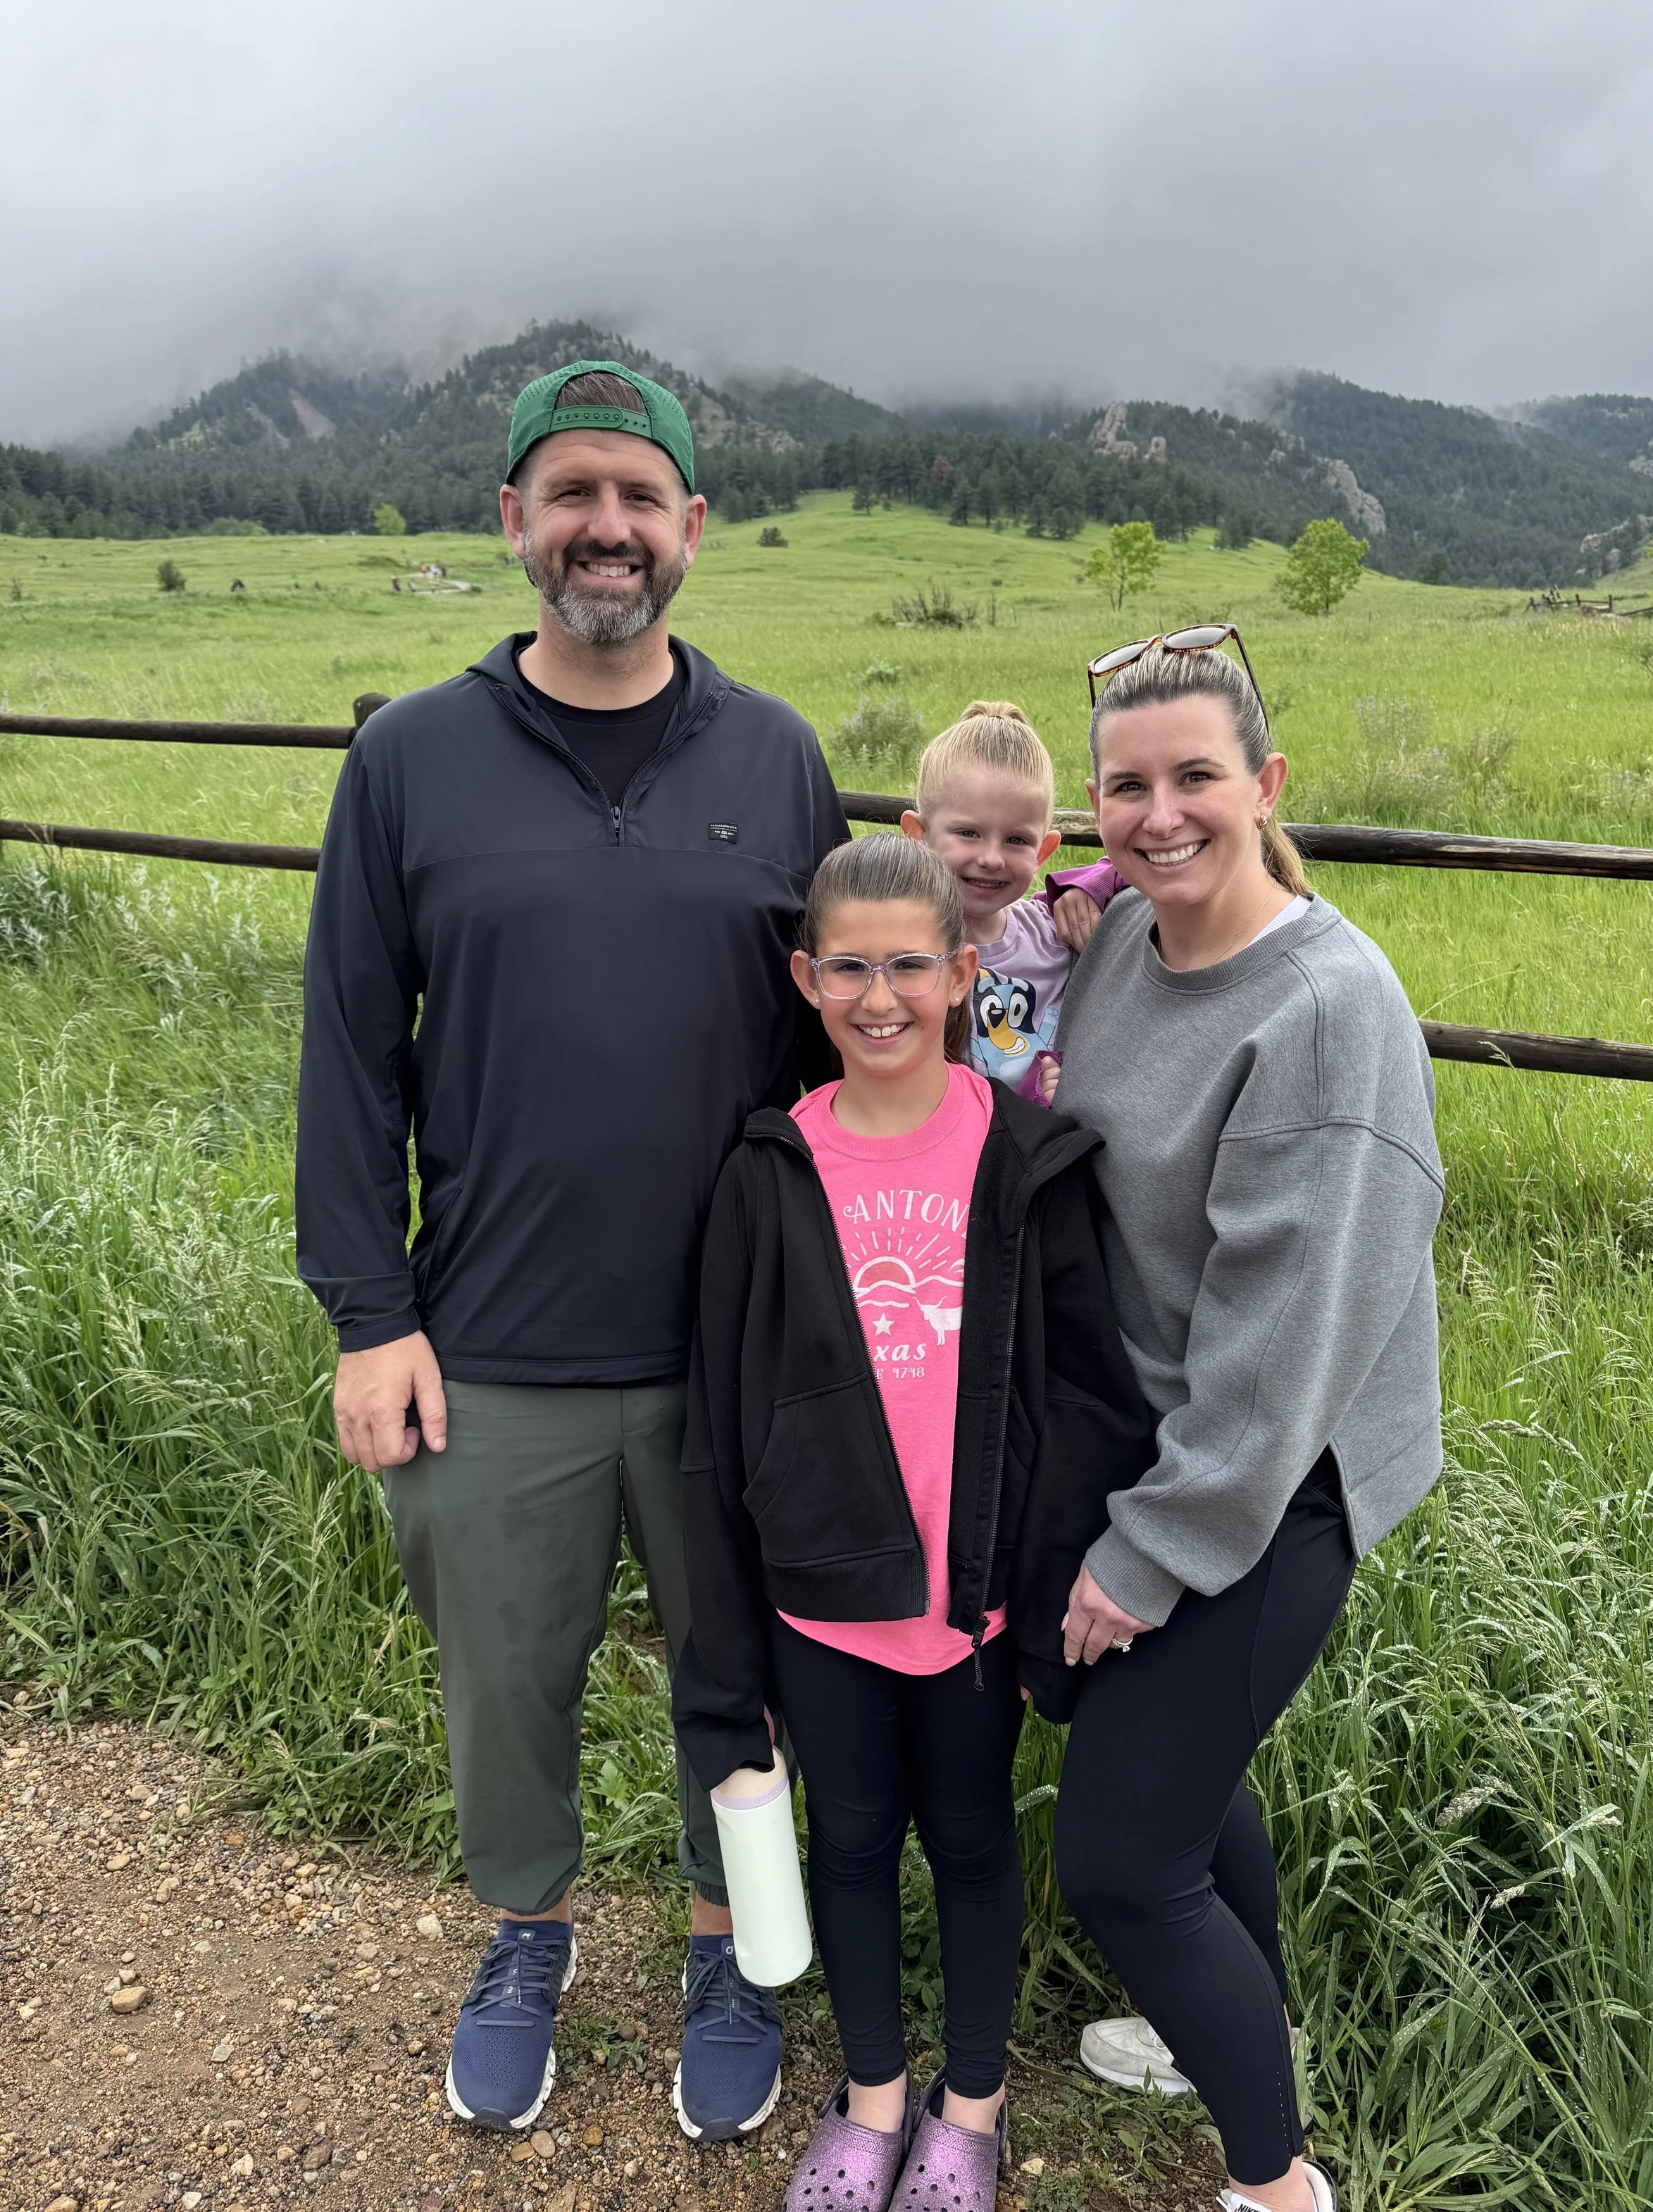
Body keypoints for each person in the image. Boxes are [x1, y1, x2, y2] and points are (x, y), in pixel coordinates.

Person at [294, 359, 848, 2139]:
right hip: (489, 1344)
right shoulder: (409, 759)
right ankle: (525, 1932)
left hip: (733, 1350)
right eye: (572, 492)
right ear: (514, 521)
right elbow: (348, 1047)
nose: (606, 526)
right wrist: (367, 1314)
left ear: (693, 526)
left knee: (738, 1677)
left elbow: (843, 1047)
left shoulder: (775, 758)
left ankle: (731, 1948)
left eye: (638, 494)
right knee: (503, 1680)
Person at [671, 832, 1156, 2212]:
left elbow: (1085, 1401)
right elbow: (719, 1424)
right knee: (848, 1842)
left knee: (971, 1838)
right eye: (848, 968)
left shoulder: (1027, 1158)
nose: (877, 996)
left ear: (961, 971)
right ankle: (876, 2092)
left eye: (906, 965)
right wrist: (727, 1662)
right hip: (819, 1598)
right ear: (805, 979)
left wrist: (1046, 1596)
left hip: (973, 1606)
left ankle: (972, 2104)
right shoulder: (768, 1169)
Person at [1050, 640, 1445, 2212]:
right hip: (1166, 1442)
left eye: (1196, 777)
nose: (1160, 814)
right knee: (1188, 1778)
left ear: (1267, 785)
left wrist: (1147, 1553)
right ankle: (1236, 2027)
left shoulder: (1325, 1014)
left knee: (1120, 1860)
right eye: (1127, 786)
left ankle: (1279, 2185)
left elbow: (1285, 1349)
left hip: (1274, 1485)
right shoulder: (1121, 942)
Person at [901, 700, 1119, 1105]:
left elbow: (1137, 866)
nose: (992, 858)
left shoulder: (1052, 931)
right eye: (968, 833)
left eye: (1016, 840)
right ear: (918, 834)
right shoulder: (901, 953)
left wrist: (1084, 884)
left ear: (1044, 851)